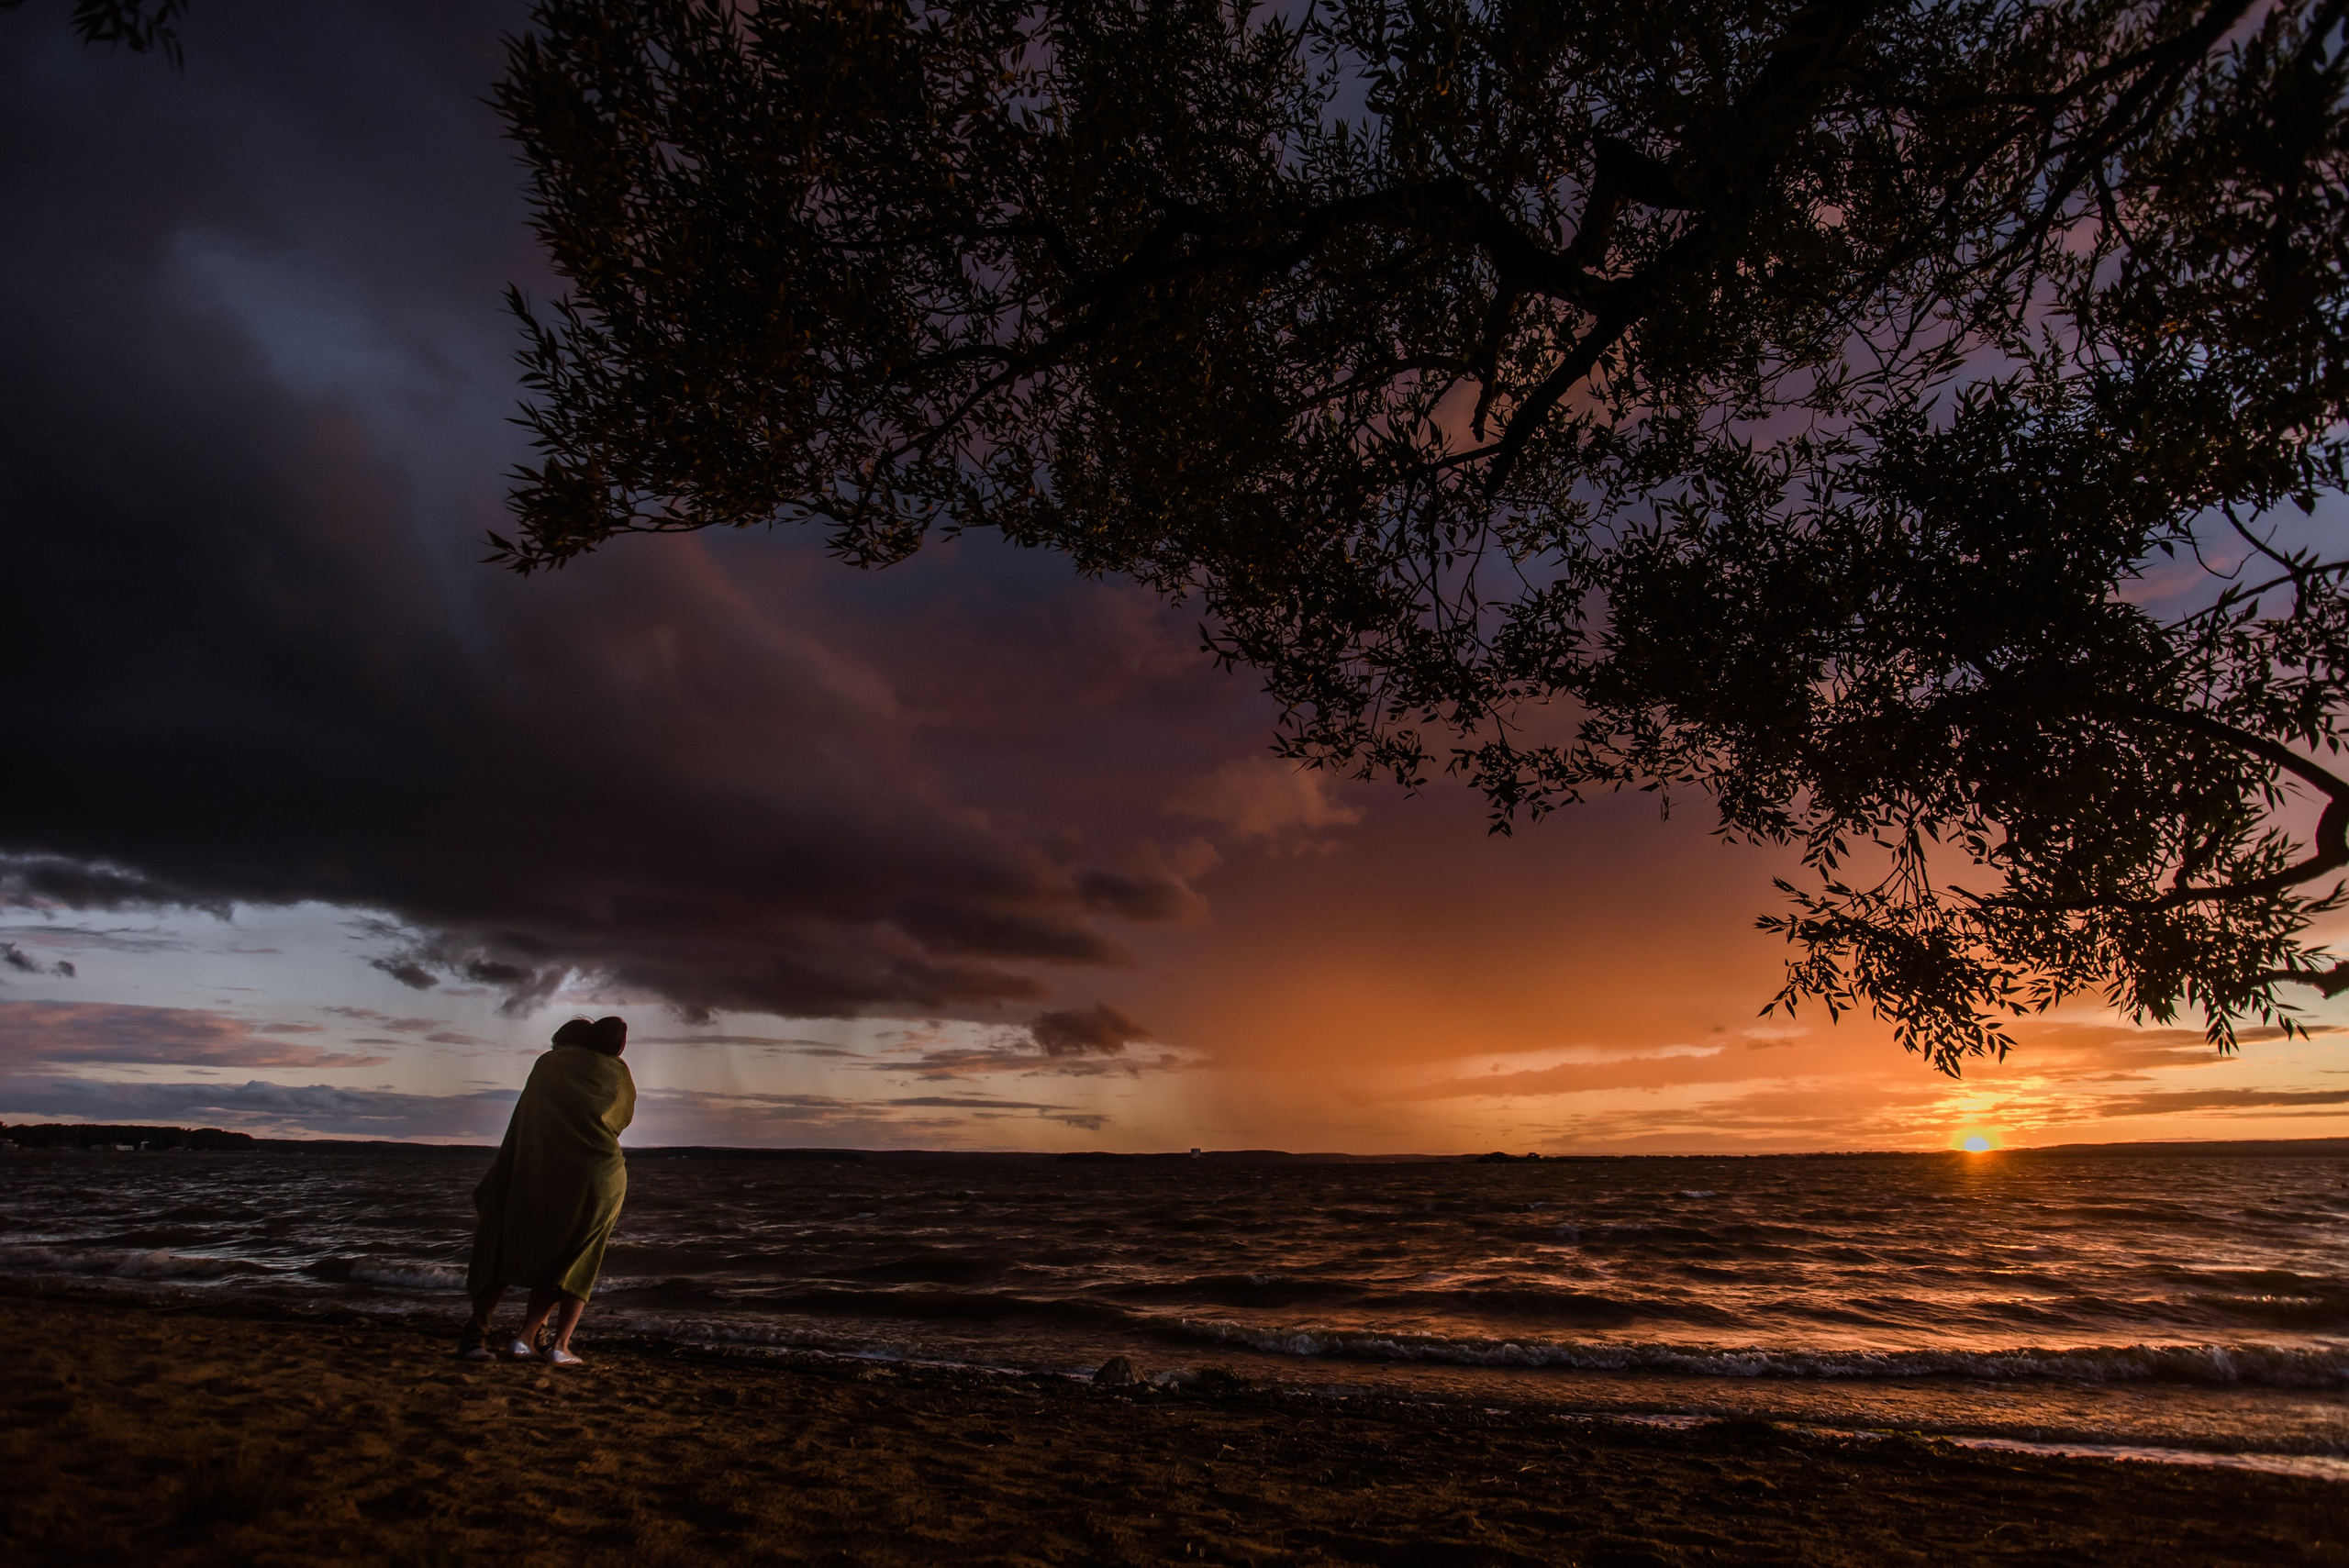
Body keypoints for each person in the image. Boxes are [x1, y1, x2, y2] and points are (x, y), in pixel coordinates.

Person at [456, 1014, 635, 1365]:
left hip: (540, 1168)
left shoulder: (549, 1065)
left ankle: (483, 1336)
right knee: (573, 1258)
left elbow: (527, 1117)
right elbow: (621, 1119)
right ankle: (545, 1342)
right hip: (599, 1175)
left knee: (505, 1243)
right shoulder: (617, 1073)